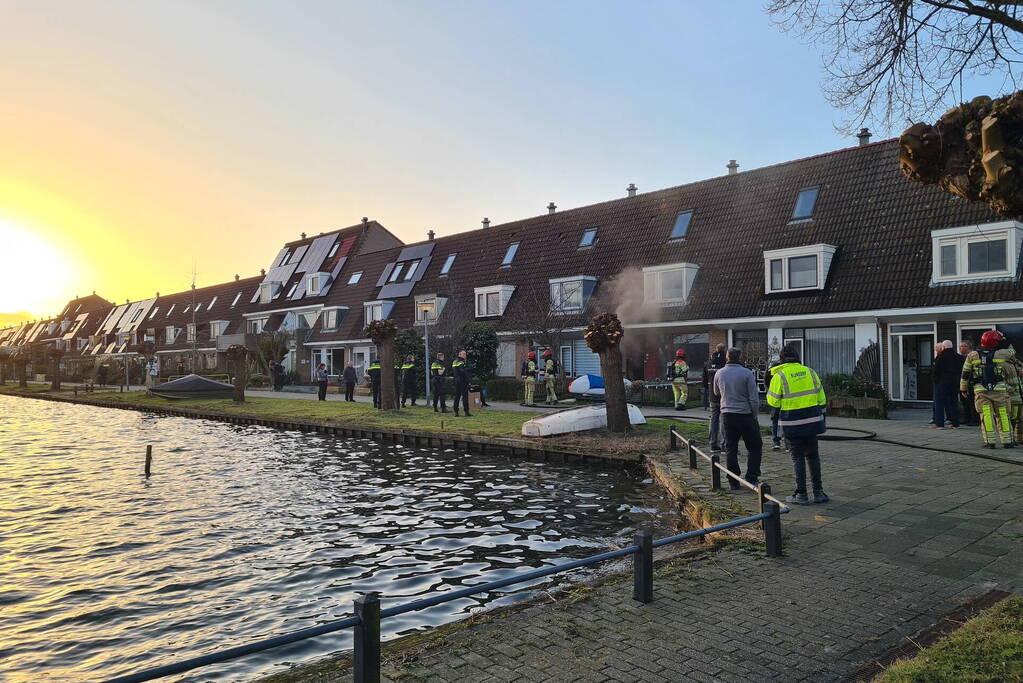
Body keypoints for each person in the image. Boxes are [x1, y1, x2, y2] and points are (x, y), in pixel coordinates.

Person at [767, 345, 829, 505]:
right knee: (813, 456)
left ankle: (801, 494)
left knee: (798, 457)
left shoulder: (779, 376)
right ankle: (819, 492)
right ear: (797, 356)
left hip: (792, 422)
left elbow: (773, 401)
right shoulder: (810, 372)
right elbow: (822, 399)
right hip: (812, 421)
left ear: (782, 358)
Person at [712, 347, 763, 489]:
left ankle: (733, 481)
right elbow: (753, 398)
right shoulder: (747, 373)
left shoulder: (719, 373)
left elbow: (716, 392)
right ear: (740, 358)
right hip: (745, 415)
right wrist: (754, 414)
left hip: (727, 415)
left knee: (731, 447)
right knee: (754, 446)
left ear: (727, 357)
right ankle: (752, 477)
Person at [960, 329, 1016, 449]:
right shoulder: (1003, 354)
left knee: (986, 415)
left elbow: (965, 374)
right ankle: (1007, 441)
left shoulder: (972, 355)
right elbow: (1012, 350)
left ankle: (990, 442)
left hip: (981, 391)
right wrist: (1004, 338)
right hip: (1000, 390)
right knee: (1003, 415)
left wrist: (963, 389)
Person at [931, 340, 962, 429]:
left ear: (943, 347)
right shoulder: (959, 357)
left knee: (939, 404)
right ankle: (955, 423)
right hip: (955, 383)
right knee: (953, 403)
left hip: (942, 383)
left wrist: (935, 381)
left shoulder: (940, 357)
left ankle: (940, 424)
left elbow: (935, 371)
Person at [766, 359, 787, 451]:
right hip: (785, 399)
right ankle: (786, 443)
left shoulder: (771, 371)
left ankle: (776, 442)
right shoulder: (784, 371)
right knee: (785, 421)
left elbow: (766, 383)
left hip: (775, 400)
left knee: (775, 420)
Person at [958, 341, 980, 425]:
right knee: (965, 402)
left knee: (973, 402)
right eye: (960, 346)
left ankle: (975, 420)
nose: (961, 348)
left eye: (964, 346)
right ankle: (967, 418)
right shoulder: (960, 357)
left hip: (972, 383)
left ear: (969, 347)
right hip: (963, 383)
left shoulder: (974, 356)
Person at [1007, 346, 1023, 444]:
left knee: (1021, 419)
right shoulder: (1004, 365)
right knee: (1012, 418)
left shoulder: (1018, 363)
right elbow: (1001, 381)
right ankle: (1011, 438)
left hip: (1020, 396)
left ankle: (1020, 439)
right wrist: (1012, 390)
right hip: (1012, 398)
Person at [452, 350, 472, 417]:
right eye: (463, 354)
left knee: (457, 396)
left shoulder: (455, 361)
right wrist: (468, 369)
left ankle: (456, 412)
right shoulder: (461, 362)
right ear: (459, 355)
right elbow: (462, 372)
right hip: (462, 381)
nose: (465, 356)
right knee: (465, 396)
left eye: (465, 354)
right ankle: (466, 412)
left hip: (456, 381)